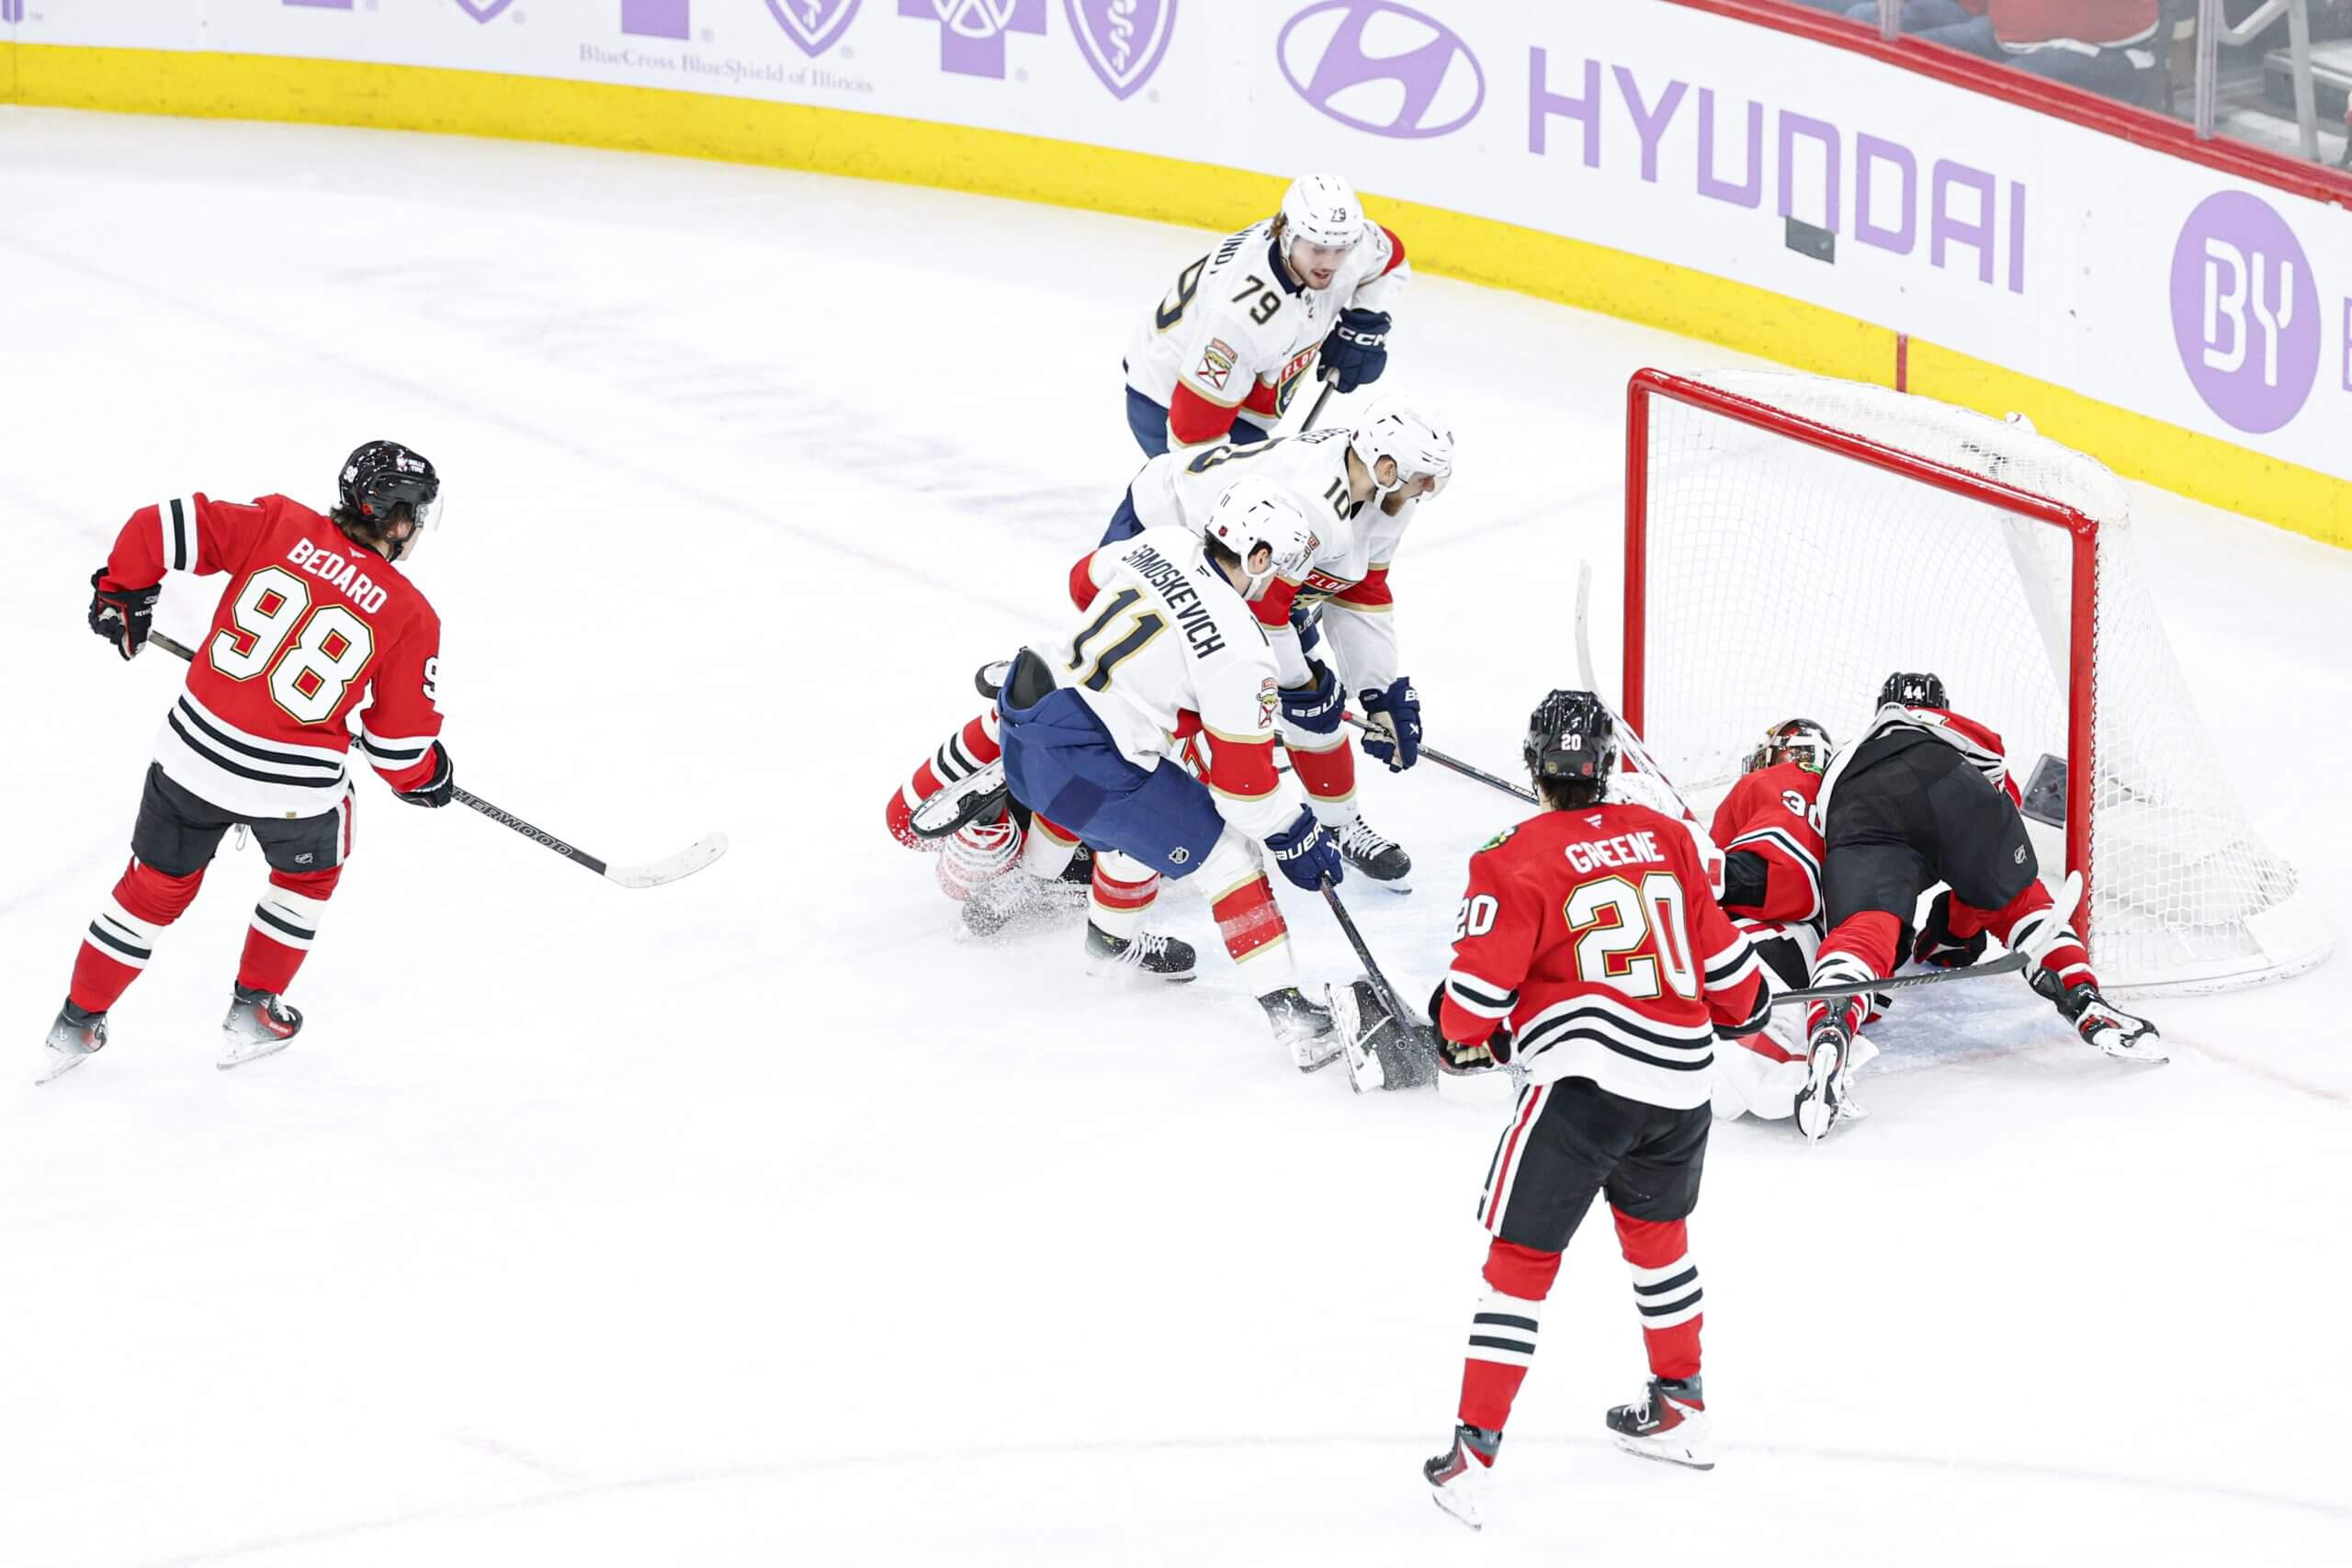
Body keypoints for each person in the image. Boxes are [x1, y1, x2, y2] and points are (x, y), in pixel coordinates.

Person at [1420, 691, 1771, 1530]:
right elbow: (1739, 990)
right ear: (1607, 765)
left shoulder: (1511, 855)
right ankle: (1682, 1409)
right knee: (1659, 1247)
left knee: (1521, 1263)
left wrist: (1460, 1033)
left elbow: (1469, 1010)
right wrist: (1753, 1005)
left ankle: (1472, 1459)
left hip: (1582, 1088)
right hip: (1683, 1089)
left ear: (1534, 764)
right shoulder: (1667, 837)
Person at [40, 442, 455, 1083]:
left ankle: (74, 1023)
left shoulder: (278, 523)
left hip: (192, 757)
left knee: (151, 890)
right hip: (293, 791)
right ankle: (254, 1010)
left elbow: (157, 525)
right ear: (398, 519)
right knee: (307, 878)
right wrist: (427, 775)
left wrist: (122, 593)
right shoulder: (410, 613)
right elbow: (400, 748)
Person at [901, 478, 1350, 1065]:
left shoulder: (1164, 541)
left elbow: (1082, 582)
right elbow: (1246, 793)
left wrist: (1169, 673)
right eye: (1277, 571)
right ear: (1257, 555)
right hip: (1087, 764)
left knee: (1146, 822)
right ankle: (1292, 1016)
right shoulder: (1243, 651)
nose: (1276, 586)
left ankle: (1109, 942)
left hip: (1027, 706)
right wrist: (1298, 832)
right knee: (1230, 856)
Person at [1094, 397, 1454, 890]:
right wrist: (1302, 685)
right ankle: (1095, 834)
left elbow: (1361, 591)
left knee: (1311, 702)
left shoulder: (1387, 495)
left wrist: (1379, 691)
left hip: (1253, 572)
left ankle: (1339, 823)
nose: (1429, 488)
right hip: (1170, 532)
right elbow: (1264, 613)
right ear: (1387, 467)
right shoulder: (1312, 505)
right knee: (1181, 706)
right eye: (1423, 476)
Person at [1794, 671, 2165, 1142]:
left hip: (1859, 802)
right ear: (1941, 704)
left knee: (1864, 931)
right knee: (2019, 902)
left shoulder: (1852, 748)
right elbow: (1988, 855)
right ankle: (2083, 997)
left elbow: (1821, 848)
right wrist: (1957, 932)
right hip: (1946, 776)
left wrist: (1885, 945)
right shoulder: (1956, 731)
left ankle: (1831, 1023)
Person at [1121, 173, 1408, 457]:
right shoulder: (1241, 318)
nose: (1330, 263)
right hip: (1165, 404)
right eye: (1319, 249)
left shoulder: (1341, 244)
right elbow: (1191, 442)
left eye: (1341, 250)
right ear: (1285, 232)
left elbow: (1390, 258)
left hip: (1238, 393)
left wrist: (1364, 324)